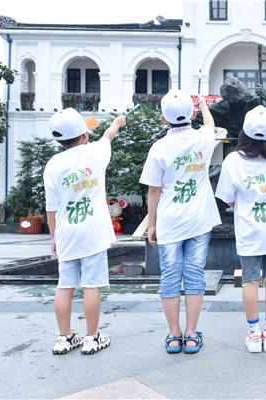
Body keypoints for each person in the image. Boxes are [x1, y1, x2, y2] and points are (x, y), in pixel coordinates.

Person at [139, 90, 221, 354]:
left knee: (170, 275)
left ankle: (174, 335)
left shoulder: (159, 147)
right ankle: (191, 334)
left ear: (164, 118)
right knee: (195, 274)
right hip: (199, 219)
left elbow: (154, 189)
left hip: (170, 221)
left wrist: (152, 224)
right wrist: (204, 106)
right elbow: (210, 125)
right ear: (192, 114)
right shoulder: (203, 138)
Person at [44, 108, 126, 355]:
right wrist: (118, 122)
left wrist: (54, 236)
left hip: (67, 233)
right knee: (91, 286)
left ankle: (64, 337)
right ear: (84, 134)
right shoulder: (95, 152)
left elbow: (51, 208)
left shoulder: (53, 164)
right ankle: (91, 338)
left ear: (59, 140)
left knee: (64, 285)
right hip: (93, 233)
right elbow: (109, 135)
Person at [215, 105, 266, 353]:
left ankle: (254, 335)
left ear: (244, 131)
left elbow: (227, 198)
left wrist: (242, 205)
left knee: (250, 282)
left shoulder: (233, 160)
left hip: (248, 232)